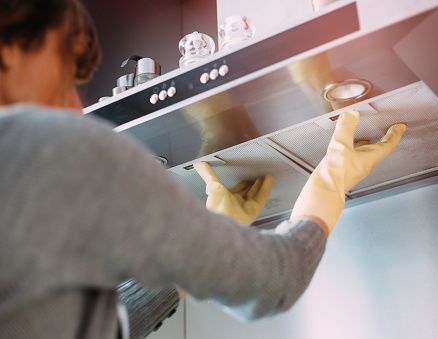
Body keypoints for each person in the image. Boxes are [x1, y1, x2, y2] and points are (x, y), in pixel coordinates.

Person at [0, 0, 406, 338]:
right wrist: (331, 180)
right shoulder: (49, 144)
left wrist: (195, 246)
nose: (75, 106)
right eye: (64, 72)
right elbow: (272, 284)